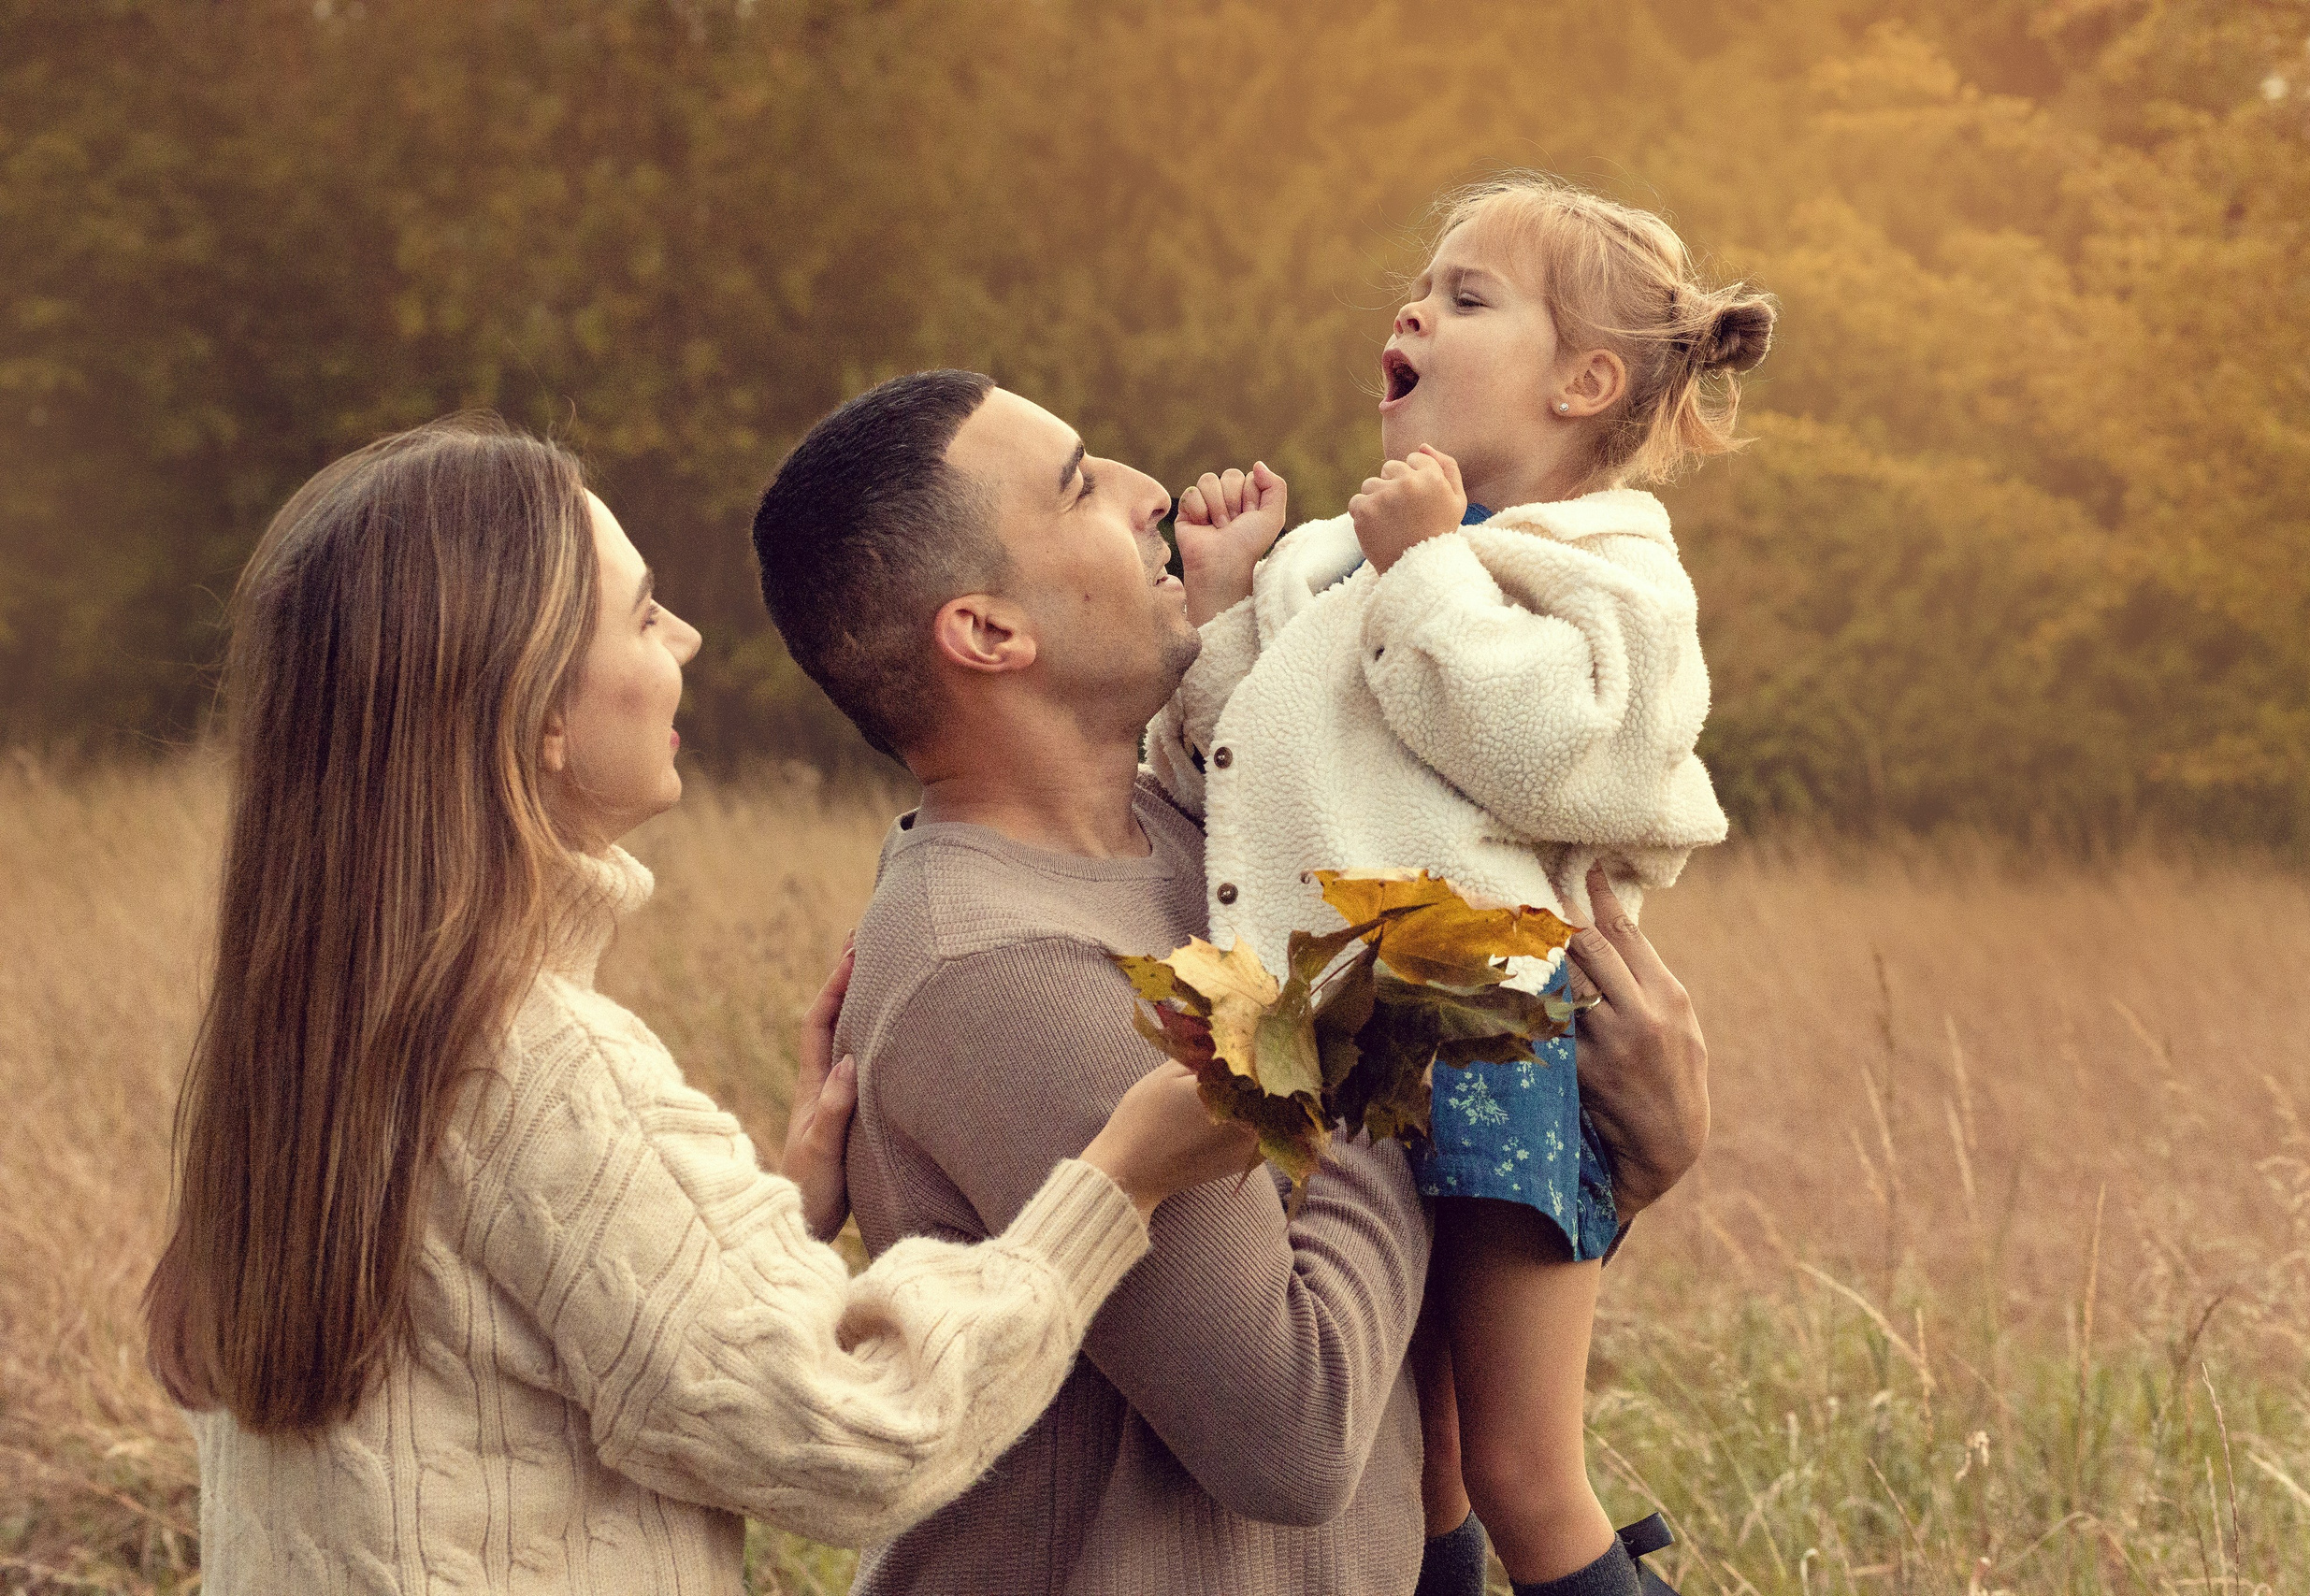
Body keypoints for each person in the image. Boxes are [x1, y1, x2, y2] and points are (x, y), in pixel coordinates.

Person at [140, 415, 1258, 1595]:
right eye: (640, 613)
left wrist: (759, 1228)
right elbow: (861, 1436)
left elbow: (491, 1383)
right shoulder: (536, 1063)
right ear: (537, 715)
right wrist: (1115, 1182)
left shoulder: (310, 1048)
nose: (684, 635)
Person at [750, 368, 1714, 1593]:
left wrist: (1618, 1164)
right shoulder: (1003, 967)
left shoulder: (1208, 845)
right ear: (989, 631)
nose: (1150, 491)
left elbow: (1394, 1322)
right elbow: (1302, 1428)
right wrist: (1400, 1012)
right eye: (1081, 483)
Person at [1161, 173, 1775, 1596]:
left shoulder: (1608, 561)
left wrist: (1428, 569)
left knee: (1522, 1469)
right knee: (1406, 1458)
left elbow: (1567, 755)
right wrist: (1220, 601)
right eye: (1419, 289)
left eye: (1466, 295)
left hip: (1490, 1024)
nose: (1414, 309)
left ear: (1585, 382)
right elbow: (1232, 758)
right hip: (1334, 1031)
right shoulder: (1338, 550)